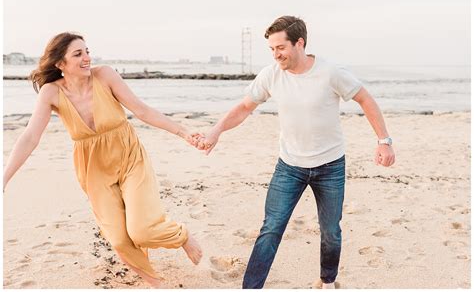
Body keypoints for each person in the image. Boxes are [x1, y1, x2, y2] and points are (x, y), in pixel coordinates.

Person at [195, 16, 395, 289]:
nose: (276, 55)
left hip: (330, 165)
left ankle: (327, 280)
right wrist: (216, 130)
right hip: (289, 165)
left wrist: (383, 140)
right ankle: (251, 288)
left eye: (281, 47)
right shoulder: (271, 75)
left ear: (299, 43)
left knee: (330, 232)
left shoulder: (330, 72)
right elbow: (243, 108)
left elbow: (364, 98)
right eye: (272, 49)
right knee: (271, 229)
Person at [3, 32, 203, 287]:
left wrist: (183, 132)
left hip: (129, 157)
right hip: (93, 169)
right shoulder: (50, 92)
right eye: (78, 54)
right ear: (60, 64)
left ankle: (182, 236)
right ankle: (154, 282)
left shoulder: (105, 75)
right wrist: (4, 178)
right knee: (119, 239)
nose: (87, 58)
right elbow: (30, 136)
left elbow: (141, 110)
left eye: (87, 51)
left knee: (141, 229)